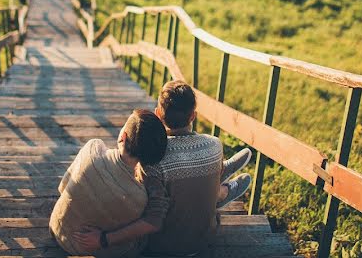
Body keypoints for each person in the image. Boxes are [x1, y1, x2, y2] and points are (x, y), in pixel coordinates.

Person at [74, 81, 252, 257]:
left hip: (160, 247)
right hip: (204, 241)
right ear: (193, 116)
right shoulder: (214, 144)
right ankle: (221, 190)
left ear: (158, 114)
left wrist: (103, 239)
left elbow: (153, 221)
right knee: (208, 171)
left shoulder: (152, 160)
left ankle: (220, 187)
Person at [50, 109, 169, 258]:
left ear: (123, 137)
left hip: (59, 229)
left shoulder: (92, 150)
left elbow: (63, 187)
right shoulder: (139, 197)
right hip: (91, 248)